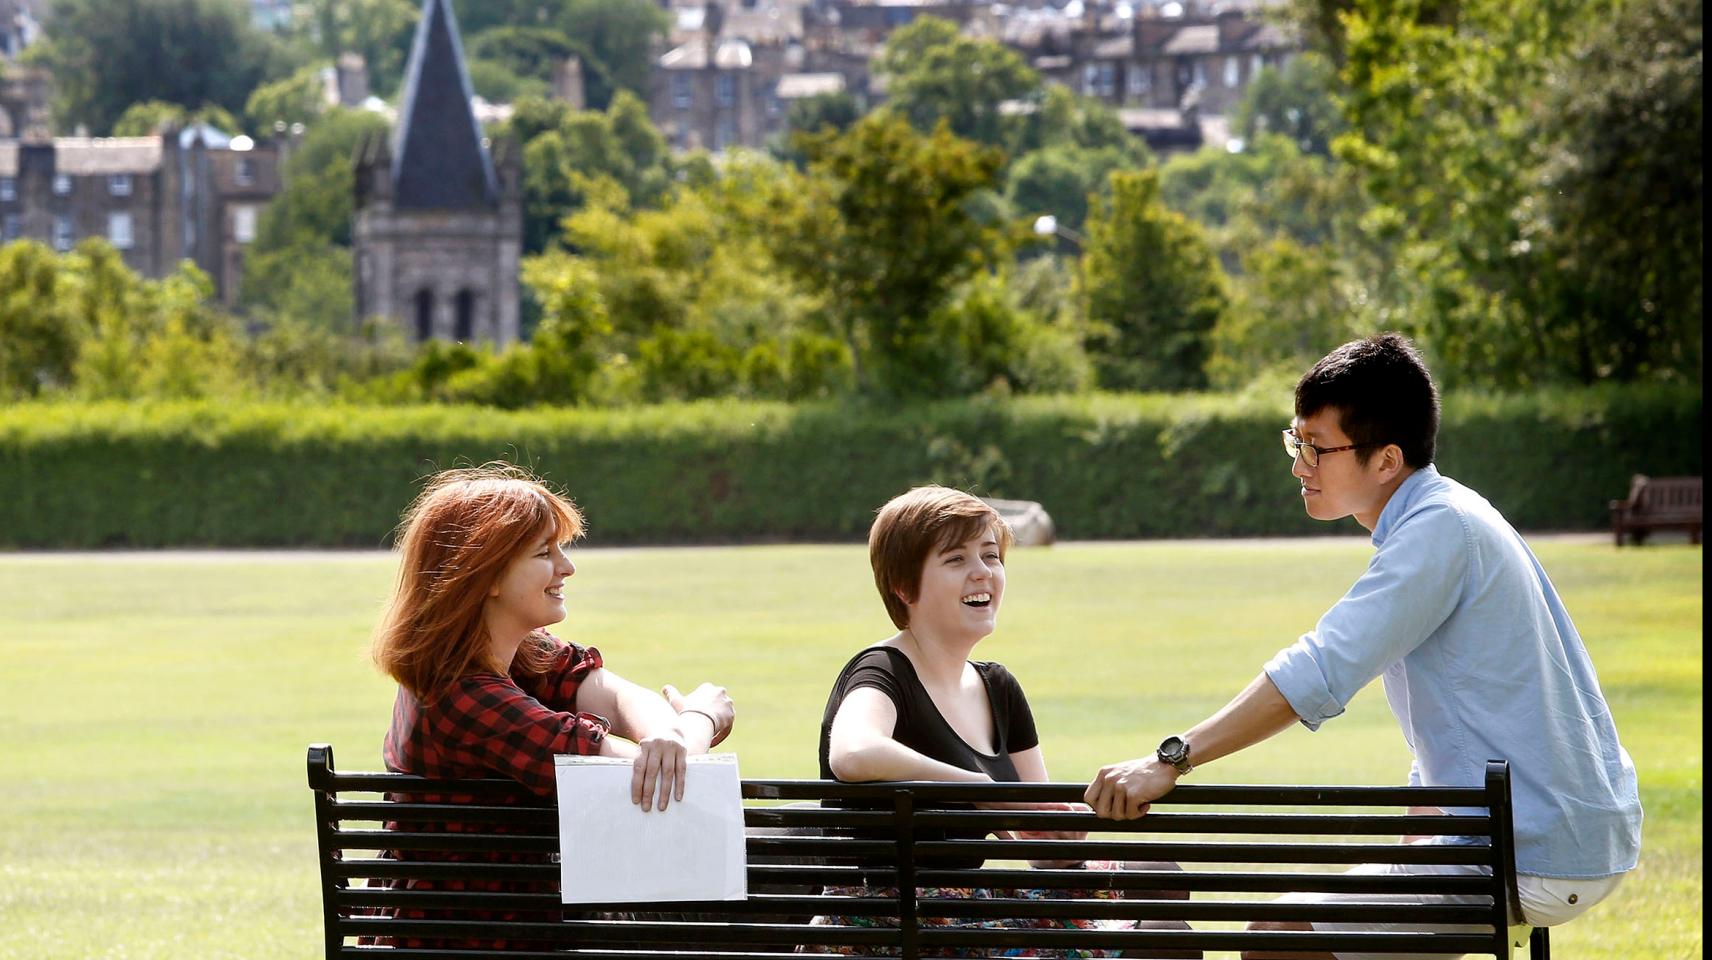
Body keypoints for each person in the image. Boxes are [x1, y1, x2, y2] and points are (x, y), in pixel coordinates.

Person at [1084, 334, 1641, 959]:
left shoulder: (1438, 530)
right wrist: (1413, 844)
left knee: (1280, 939)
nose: (1300, 465)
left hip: (1530, 851)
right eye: (1296, 442)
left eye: (1318, 449)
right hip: (1552, 835)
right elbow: (1462, 715)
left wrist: (1171, 760)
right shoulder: (1449, 515)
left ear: (1386, 460)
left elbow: (1316, 671)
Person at [363, 464, 735, 949]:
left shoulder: (509, 655)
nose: (567, 567)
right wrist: (701, 718)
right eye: (544, 553)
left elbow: (620, 696)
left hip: (498, 930)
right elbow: (671, 781)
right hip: (480, 940)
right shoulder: (464, 697)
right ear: (487, 576)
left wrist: (670, 735)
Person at [815, 485, 1192, 959]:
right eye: (955, 559)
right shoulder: (882, 671)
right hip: (895, 925)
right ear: (905, 586)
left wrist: (1062, 837)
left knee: (1157, 879)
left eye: (991, 556)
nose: (982, 572)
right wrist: (979, 787)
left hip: (969, 916)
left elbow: (1036, 842)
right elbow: (852, 752)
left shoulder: (998, 688)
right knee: (1155, 937)